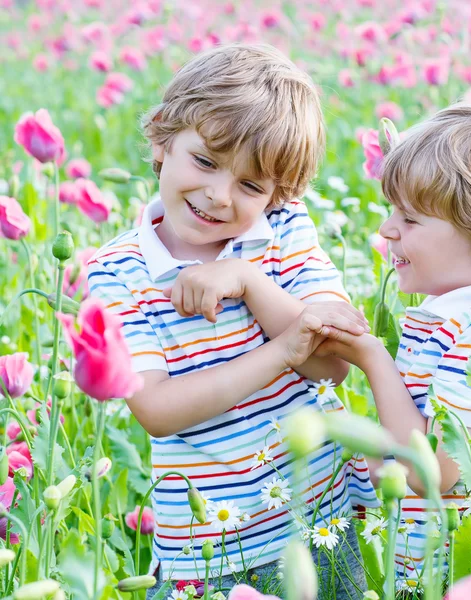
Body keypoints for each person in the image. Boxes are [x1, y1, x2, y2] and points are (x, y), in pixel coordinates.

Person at [87, 43, 379, 599]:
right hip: (206, 548)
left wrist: (248, 278)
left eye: (250, 186)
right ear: (161, 140)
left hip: (316, 519)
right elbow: (156, 408)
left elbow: (334, 362)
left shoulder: (285, 231)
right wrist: (282, 349)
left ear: (277, 194)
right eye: (204, 161)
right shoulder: (115, 272)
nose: (218, 196)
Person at [287, 99, 471, 588]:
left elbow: (432, 473)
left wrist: (370, 358)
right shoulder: (463, 313)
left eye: (411, 220)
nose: (386, 230)